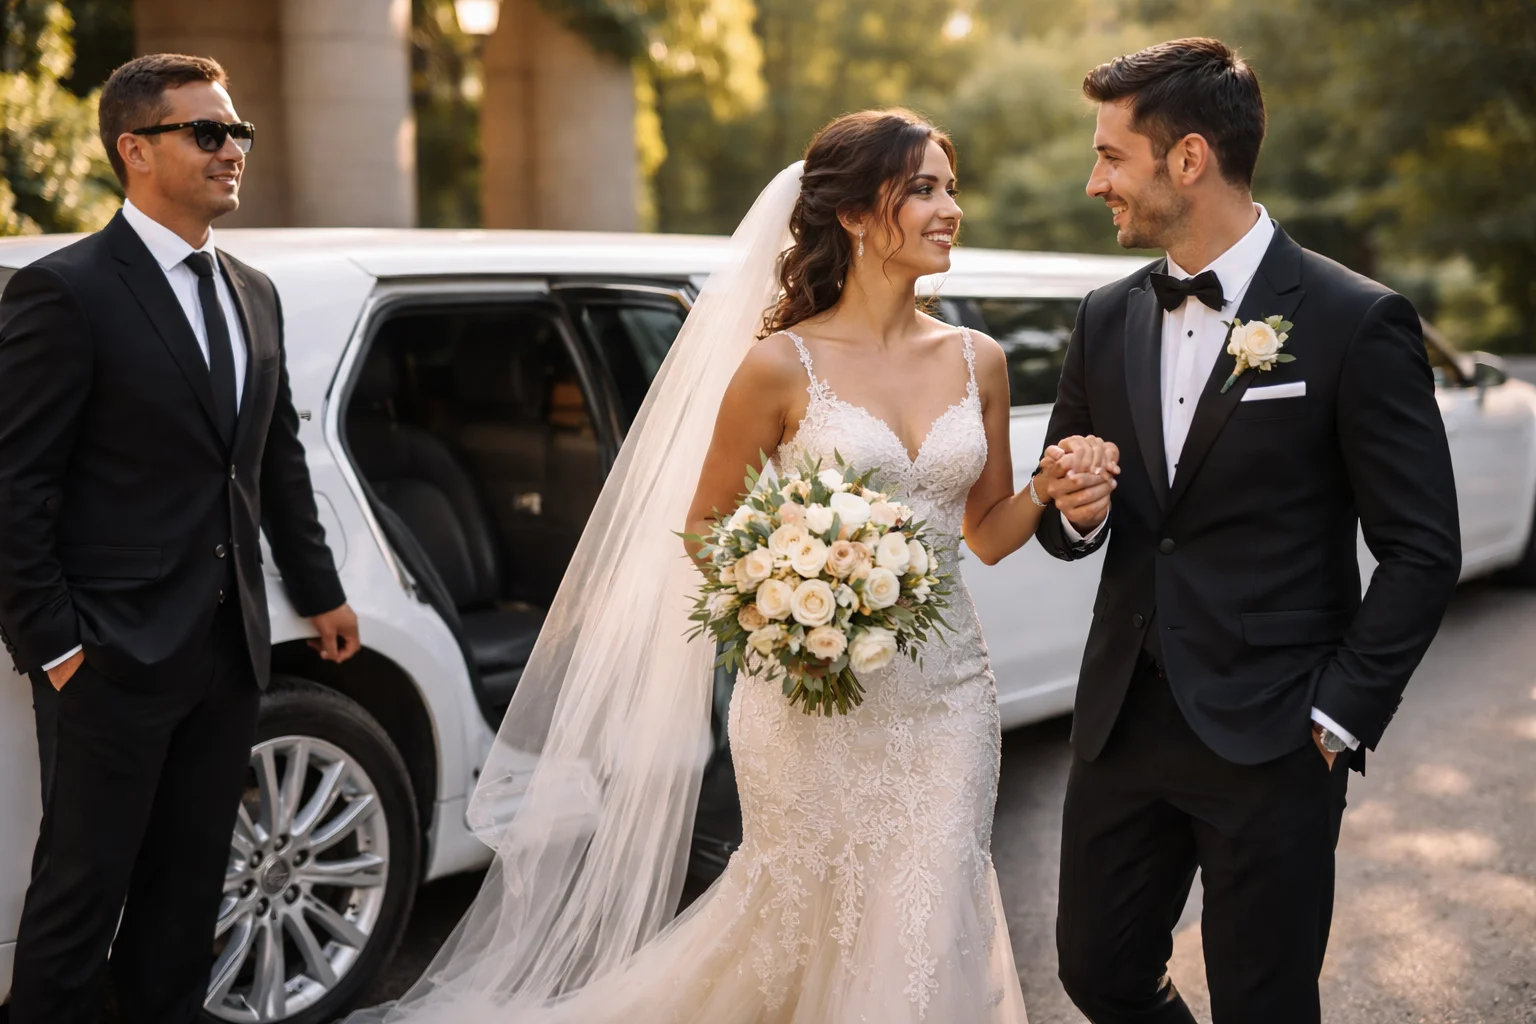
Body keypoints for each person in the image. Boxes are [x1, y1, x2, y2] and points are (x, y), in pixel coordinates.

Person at [339, 111, 1114, 1023]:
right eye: (926, 189)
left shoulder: (980, 360)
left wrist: (1052, 491)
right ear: (859, 216)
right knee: (802, 916)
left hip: (948, 697)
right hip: (805, 698)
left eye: (951, 186)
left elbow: (983, 532)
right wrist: (789, 616)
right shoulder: (777, 367)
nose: (952, 209)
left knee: (927, 907)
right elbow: (707, 528)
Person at [1034, 38, 1462, 1022]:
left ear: (1187, 158)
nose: (1093, 179)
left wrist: (1337, 717)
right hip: (1124, 720)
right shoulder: (1103, 318)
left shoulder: (1357, 320)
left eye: (1110, 155)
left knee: (1264, 1001)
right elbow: (1061, 509)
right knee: (1096, 971)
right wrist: (1074, 510)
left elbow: (1421, 546)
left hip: (1277, 734)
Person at [0, 53, 357, 1023]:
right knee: (78, 906)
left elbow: (269, 461)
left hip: (227, 652)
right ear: (136, 149)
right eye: (207, 132)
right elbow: (14, 488)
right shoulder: (65, 292)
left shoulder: (254, 291)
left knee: (187, 896)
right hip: (106, 659)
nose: (231, 149)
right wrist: (58, 650)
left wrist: (319, 591)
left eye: (236, 131)